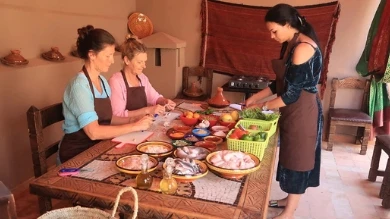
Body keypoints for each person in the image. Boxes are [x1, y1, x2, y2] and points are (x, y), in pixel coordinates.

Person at [245, 4, 323, 219]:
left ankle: (289, 212)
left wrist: (260, 107)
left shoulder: (303, 48)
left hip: (302, 111)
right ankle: (287, 199)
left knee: (298, 159)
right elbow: (281, 83)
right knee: (289, 155)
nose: (271, 36)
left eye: (274, 31)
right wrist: (256, 97)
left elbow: (291, 94)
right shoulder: (291, 43)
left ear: (288, 25)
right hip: (291, 109)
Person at [59, 25, 153, 163]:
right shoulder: (79, 86)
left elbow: (108, 118)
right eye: (108, 55)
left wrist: (134, 120)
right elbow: (93, 132)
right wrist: (134, 127)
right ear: (92, 55)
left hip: (99, 146)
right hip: (77, 154)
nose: (112, 60)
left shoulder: (102, 81)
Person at [109, 35, 176, 118]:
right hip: (126, 128)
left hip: (142, 125)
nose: (144, 66)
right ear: (127, 60)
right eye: (140, 62)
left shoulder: (142, 78)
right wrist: (147, 110)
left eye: (145, 62)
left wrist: (164, 101)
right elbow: (117, 115)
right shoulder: (116, 81)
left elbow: (154, 98)